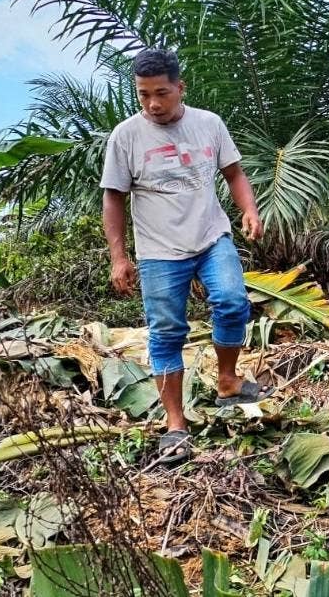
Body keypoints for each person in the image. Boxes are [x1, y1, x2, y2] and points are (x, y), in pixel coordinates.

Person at [100, 48, 270, 465]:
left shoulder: (208, 124)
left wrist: (249, 209)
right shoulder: (126, 136)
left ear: (180, 87)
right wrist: (119, 258)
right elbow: (113, 198)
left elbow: (234, 173)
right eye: (143, 95)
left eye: (161, 93)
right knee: (166, 332)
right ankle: (176, 425)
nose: (153, 104)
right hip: (159, 253)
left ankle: (227, 380)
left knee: (232, 303)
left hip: (212, 238)